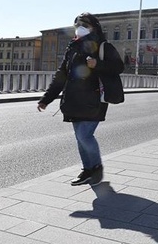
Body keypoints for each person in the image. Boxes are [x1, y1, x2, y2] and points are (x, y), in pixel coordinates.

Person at [37, 12, 124, 186]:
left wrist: (97, 65)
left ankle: (96, 168)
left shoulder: (103, 46)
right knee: (80, 137)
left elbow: (119, 67)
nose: (80, 28)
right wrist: (47, 99)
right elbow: (61, 76)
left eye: (84, 24)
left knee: (85, 135)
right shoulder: (73, 48)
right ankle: (87, 170)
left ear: (94, 27)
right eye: (77, 25)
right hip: (74, 100)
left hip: (94, 99)